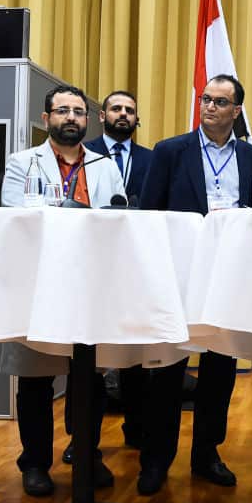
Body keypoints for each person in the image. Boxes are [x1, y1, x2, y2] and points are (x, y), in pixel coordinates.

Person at [137, 74, 252, 495]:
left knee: (220, 368)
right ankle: (155, 461)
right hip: (179, 275)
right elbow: (149, 214)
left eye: (220, 101)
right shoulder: (171, 151)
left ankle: (207, 454)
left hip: (229, 276)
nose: (209, 106)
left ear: (236, 110)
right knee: (168, 371)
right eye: (206, 99)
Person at [0, 84, 125, 497]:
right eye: (62, 111)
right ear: (45, 118)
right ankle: (34, 463)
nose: (71, 117)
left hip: (93, 283)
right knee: (35, 380)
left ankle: (86, 453)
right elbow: (15, 217)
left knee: (89, 376)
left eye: (78, 112)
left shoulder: (106, 166)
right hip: (40, 282)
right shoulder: (22, 163)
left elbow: (117, 221)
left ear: (88, 121)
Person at [75, 90, 153, 455]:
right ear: (101, 115)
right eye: (116, 108)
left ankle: (137, 429)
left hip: (136, 268)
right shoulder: (81, 154)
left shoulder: (153, 159)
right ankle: (82, 440)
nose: (123, 114)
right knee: (86, 360)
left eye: (130, 110)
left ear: (137, 119)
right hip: (89, 269)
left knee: (135, 358)